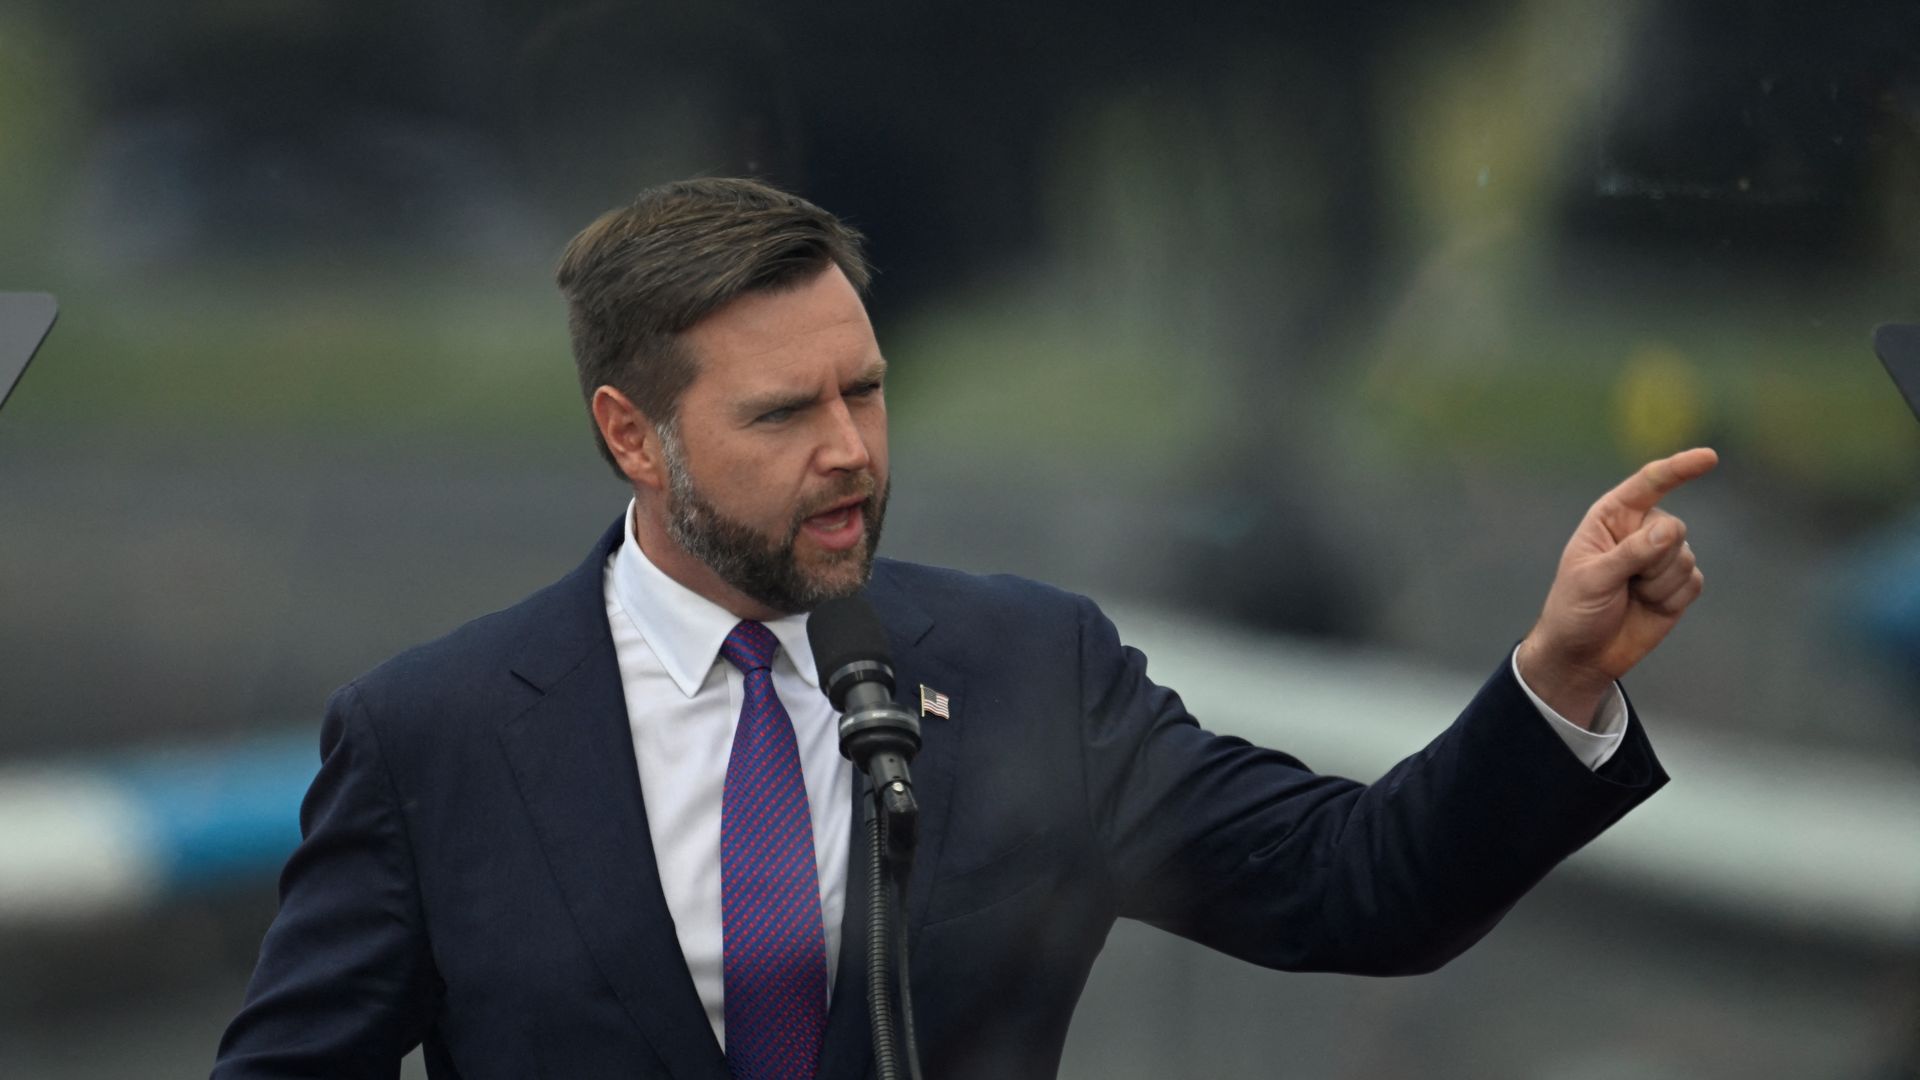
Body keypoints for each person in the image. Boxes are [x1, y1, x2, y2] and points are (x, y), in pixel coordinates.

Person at [212, 177, 1714, 1080]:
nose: (850, 450)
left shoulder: (1028, 673)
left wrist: (1559, 673)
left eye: (865, 391)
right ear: (631, 436)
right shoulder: (436, 736)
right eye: (783, 414)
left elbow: (1362, 887)